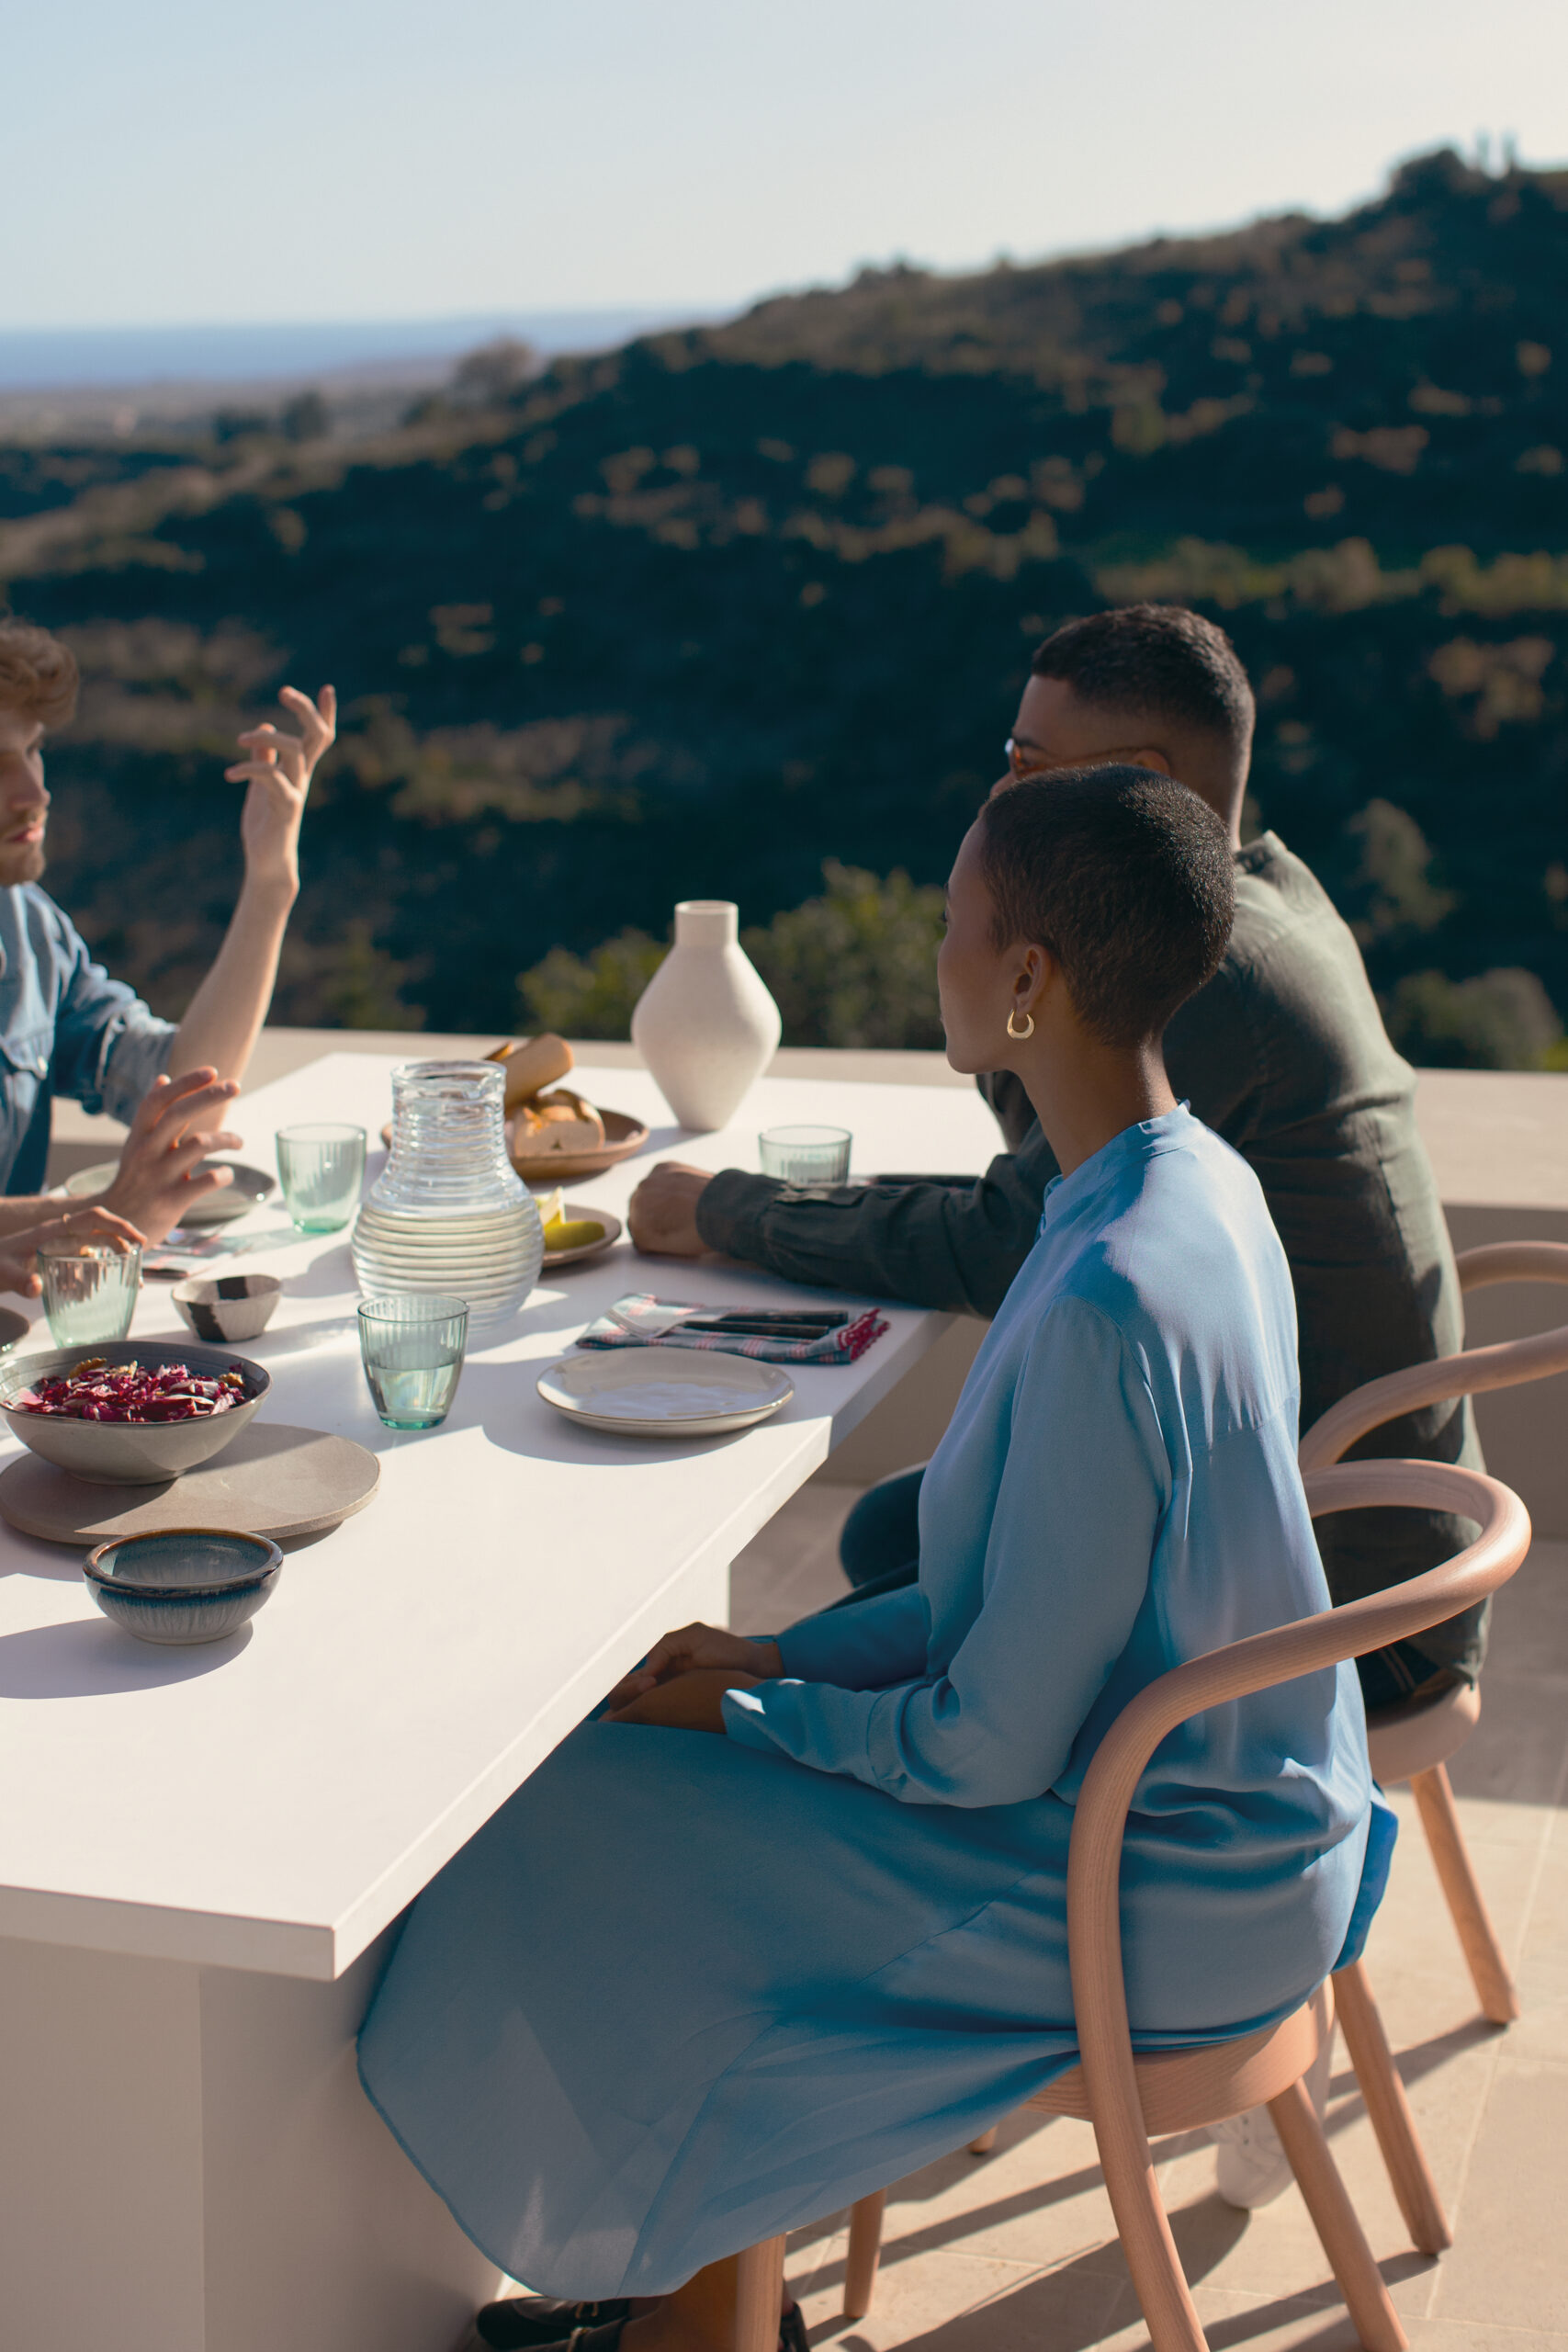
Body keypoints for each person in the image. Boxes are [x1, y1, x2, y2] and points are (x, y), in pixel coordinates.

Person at [358, 769, 1391, 2352]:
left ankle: (686, 2323)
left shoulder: (1107, 1281)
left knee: (569, 1824)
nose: (939, 957)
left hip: (1152, 1887)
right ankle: (687, 2299)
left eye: (956, 927)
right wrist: (773, 1664)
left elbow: (986, 1742)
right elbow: (1040, 1611)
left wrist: (759, 1720)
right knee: (655, 1786)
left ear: (1028, 980)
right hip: (1239, 1829)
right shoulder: (1190, 1185)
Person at [626, 606, 1482, 1726]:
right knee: (906, 1529)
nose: (998, 794)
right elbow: (1043, 1168)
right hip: (1338, 1510)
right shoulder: (1270, 894)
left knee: (916, 1565)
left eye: (1027, 766)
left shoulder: (1218, 978)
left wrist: (735, 1213)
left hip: (1342, 1600)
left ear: (1134, 778)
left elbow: (1002, 1239)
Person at [0, 617, 334, 1270]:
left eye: (33, 750)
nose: (35, 793)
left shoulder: (28, 930)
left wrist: (270, 884)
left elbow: (184, 1100)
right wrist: (102, 1214)